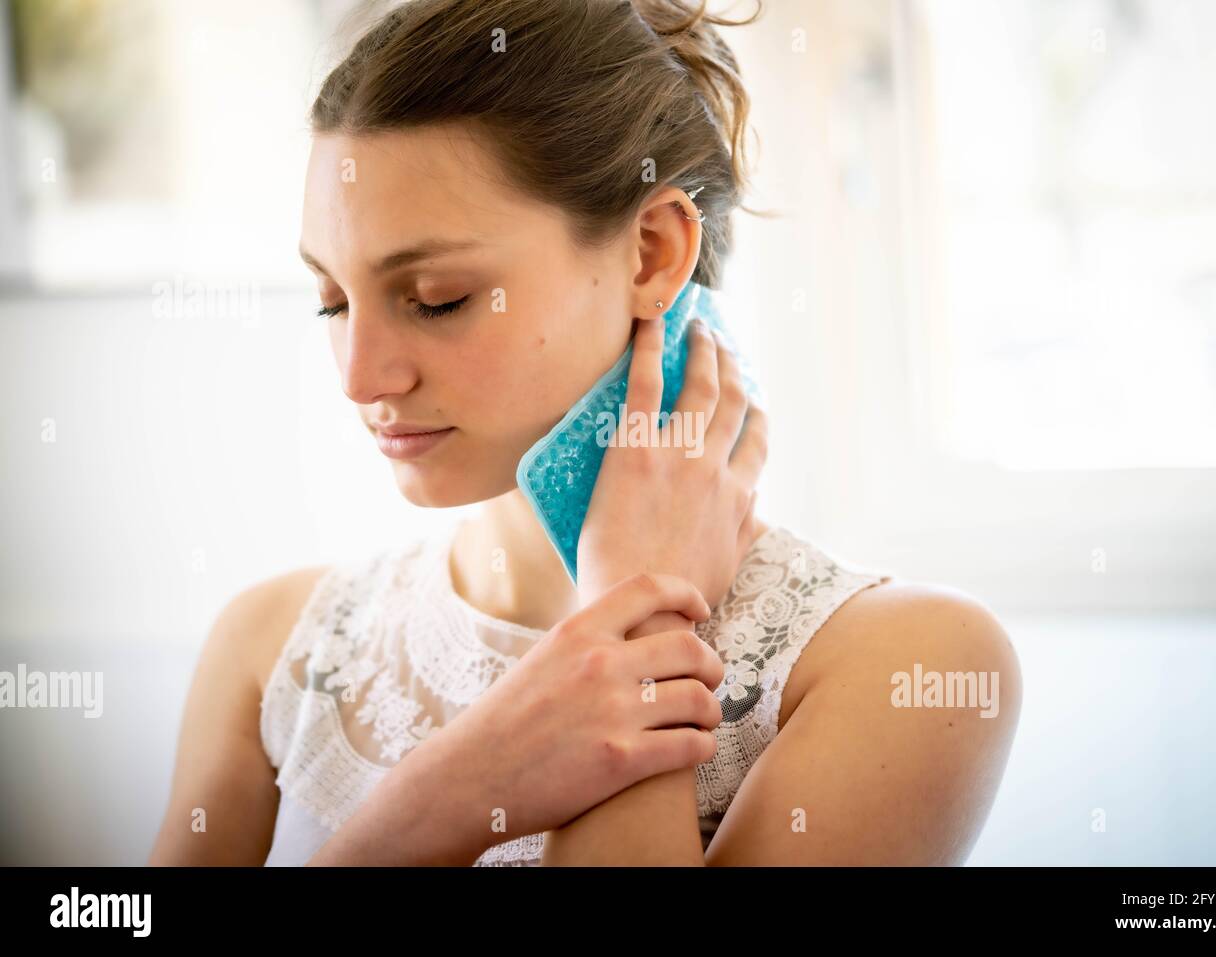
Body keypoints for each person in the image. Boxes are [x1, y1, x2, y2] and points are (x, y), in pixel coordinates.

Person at [149, 0, 1021, 867]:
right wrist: (444, 798)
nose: (359, 377)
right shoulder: (274, 649)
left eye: (437, 297)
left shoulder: (910, 669)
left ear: (651, 253)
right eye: (333, 301)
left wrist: (636, 620)